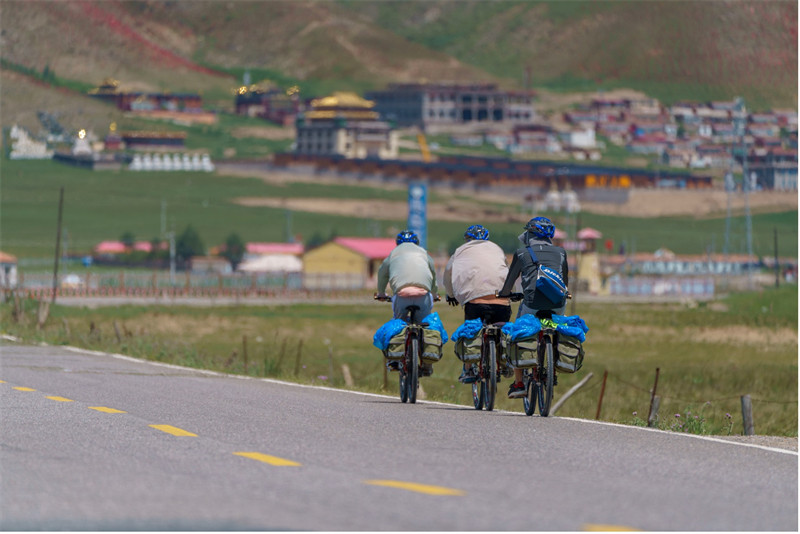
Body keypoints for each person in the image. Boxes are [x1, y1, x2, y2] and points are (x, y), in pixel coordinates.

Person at [497, 216, 569, 398]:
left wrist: (504, 294)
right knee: (554, 327)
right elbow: (564, 283)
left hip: (531, 304)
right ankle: (552, 368)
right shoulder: (561, 252)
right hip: (557, 304)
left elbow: (510, 281)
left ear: (530, 234)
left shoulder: (522, 253)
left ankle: (519, 383)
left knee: (518, 332)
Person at [443, 224, 511, 383]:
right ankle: (505, 360)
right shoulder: (497, 249)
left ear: (467, 239)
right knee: (502, 330)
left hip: (475, 303)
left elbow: (448, 272)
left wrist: (451, 294)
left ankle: (468, 370)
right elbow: (506, 271)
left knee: (471, 331)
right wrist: (510, 293)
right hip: (501, 301)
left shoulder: (461, 251)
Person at [376, 230, 440, 374]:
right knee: (425, 326)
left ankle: (395, 359)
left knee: (398, 323)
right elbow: (433, 275)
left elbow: (382, 274)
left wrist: (381, 293)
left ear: (397, 243)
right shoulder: (424, 253)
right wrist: (435, 294)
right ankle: (427, 364)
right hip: (423, 295)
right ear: (416, 242)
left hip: (401, 295)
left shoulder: (393, 254)